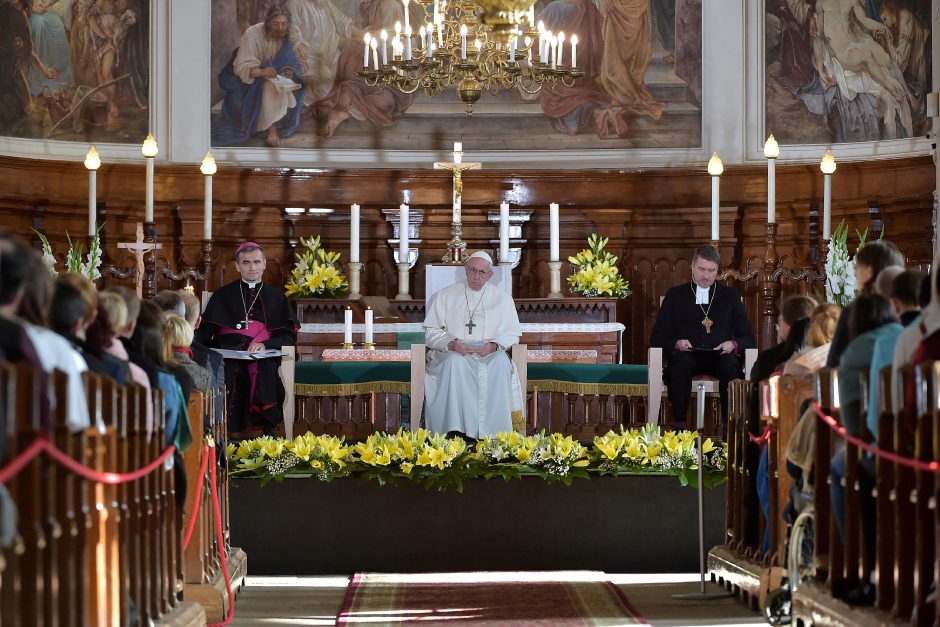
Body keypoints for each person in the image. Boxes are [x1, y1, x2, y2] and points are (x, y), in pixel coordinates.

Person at [194, 241, 298, 438]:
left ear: (264, 264)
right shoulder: (222, 295)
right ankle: (228, 433)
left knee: (265, 367)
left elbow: (288, 335)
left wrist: (265, 344)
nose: (252, 267)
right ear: (237, 266)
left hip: (261, 353)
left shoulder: (277, 297)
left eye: (257, 262)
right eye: (247, 262)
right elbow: (205, 333)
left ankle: (268, 432)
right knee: (229, 367)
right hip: (227, 351)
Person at [650, 245, 756, 428]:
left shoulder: (730, 296)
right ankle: (680, 427)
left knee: (730, 366)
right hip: (687, 355)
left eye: (711, 271)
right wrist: (676, 343)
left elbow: (748, 337)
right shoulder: (675, 295)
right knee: (681, 364)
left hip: (719, 356)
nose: (706, 276)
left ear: (717, 270)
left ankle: (730, 428)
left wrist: (732, 344)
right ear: (692, 266)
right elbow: (658, 336)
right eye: (701, 269)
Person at [422, 251, 524, 439]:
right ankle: (455, 432)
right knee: (455, 363)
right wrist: (451, 344)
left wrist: (494, 346)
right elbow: (431, 333)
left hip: (489, 354)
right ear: (465, 270)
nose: (476, 277)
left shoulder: (503, 299)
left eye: (482, 272)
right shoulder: (445, 295)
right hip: (453, 353)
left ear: (490, 275)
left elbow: (512, 334)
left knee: (501, 362)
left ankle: (497, 435)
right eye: (472, 271)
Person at [213, 4, 304, 147]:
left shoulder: (286, 35)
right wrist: (262, 72)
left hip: (274, 76)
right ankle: (272, 131)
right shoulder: (252, 34)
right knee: (267, 87)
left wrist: (288, 71)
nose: (280, 28)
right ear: (268, 22)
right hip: (247, 79)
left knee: (293, 82)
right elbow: (242, 67)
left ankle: (278, 121)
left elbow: (290, 62)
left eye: (284, 24)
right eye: (276, 24)